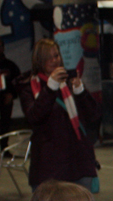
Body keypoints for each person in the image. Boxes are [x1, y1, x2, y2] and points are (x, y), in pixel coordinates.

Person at [15, 39, 102, 192]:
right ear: (39, 61)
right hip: (49, 169)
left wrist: (81, 92)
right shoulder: (29, 87)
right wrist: (50, 87)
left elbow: (93, 116)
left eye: (56, 56)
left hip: (78, 165)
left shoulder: (67, 82)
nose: (54, 61)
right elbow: (34, 117)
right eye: (49, 58)